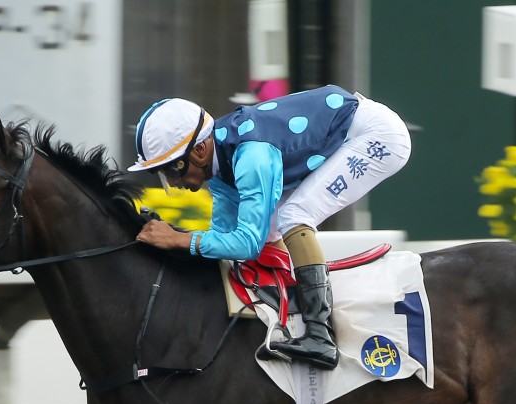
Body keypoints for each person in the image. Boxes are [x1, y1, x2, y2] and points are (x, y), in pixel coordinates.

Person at [128, 85, 411, 370]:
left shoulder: (251, 157)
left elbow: (247, 242)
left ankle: (320, 334)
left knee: (294, 214)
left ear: (200, 150)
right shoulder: (219, 170)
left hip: (377, 136)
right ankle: (291, 307)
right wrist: (180, 238)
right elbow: (226, 238)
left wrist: (180, 240)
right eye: (162, 175)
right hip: (349, 130)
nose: (173, 183)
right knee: (273, 228)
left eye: (172, 169)